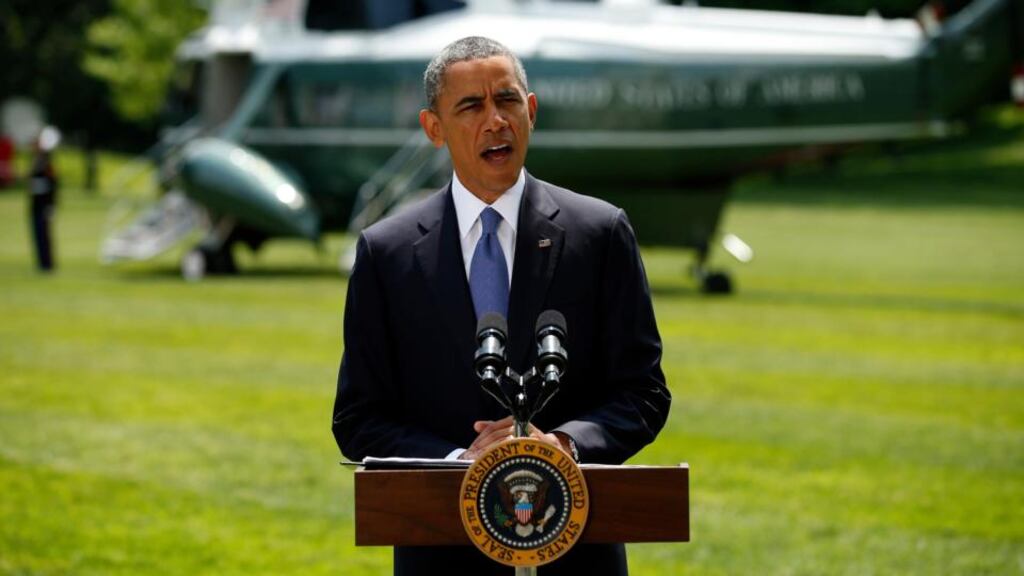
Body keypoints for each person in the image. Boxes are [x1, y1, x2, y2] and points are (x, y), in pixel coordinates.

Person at [332, 36, 670, 575]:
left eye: (507, 101)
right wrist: (463, 463)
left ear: (531, 111)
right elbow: (358, 419)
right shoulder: (386, 251)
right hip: (440, 553)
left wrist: (558, 444)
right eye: (471, 106)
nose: (496, 120)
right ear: (433, 128)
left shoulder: (600, 232)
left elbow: (643, 392)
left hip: (578, 552)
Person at [28, 126, 60, 272]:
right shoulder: (36, 160)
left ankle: (47, 264)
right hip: (35, 204)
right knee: (37, 234)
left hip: (44, 204)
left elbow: (53, 185)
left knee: (44, 234)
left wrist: (51, 205)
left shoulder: (47, 162)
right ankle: (41, 263)